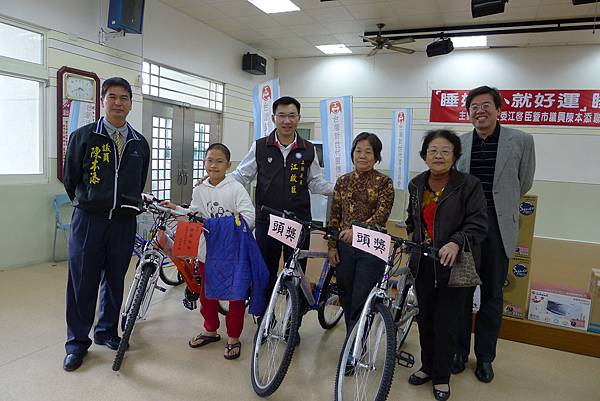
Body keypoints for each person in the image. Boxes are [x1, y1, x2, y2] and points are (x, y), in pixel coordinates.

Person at [62, 77, 150, 371]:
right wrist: (90, 202)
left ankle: (107, 332)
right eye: (112, 97)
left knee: (114, 280)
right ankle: (76, 344)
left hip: (123, 223)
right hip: (89, 222)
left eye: (124, 98)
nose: (118, 103)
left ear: (130, 103)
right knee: (82, 283)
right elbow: (71, 179)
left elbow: (138, 182)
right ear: (102, 100)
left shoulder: (139, 143)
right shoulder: (83, 136)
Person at [229, 96, 334, 338]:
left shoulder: (307, 149)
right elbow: (242, 175)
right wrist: (217, 182)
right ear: (274, 118)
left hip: (298, 223)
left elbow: (315, 182)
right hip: (268, 221)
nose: (287, 121)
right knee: (264, 273)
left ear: (298, 118)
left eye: (292, 116)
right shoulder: (260, 146)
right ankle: (265, 321)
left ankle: (291, 325)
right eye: (282, 116)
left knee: (296, 274)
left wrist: (338, 189)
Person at [453, 86, 536, 383]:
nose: (480, 111)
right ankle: (459, 352)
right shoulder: (460, 143)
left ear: (499, 109)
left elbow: (523, 182)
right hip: (466, 229)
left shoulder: (522, 141)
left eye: (486, 105)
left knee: (492, 295)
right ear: (469, 113)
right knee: (461, 292)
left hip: (499, 227)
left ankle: (485, 358)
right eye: (474, 107)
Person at [406, 130, 488, 401]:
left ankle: (441, 377)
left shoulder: (469, 185)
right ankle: (427, 367)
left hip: (453, 264)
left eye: (445, 151)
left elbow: (477, 224)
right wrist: (412, 238)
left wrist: (455, 242)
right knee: (425, 318)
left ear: (455, 156)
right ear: (424, 155)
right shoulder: (417, 184)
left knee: (447, 323)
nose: (438, 155)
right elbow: (411, 220)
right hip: (423, 263)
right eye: (433, 150)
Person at [161, 143, 257, 360]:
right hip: (209, 251)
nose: (213, 165)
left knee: (236, 295)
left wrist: (220, 225)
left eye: (219, 161)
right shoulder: (200, 189)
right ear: (204, 163)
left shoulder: (236, 188)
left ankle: (233, 337)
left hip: (233, 252)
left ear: (228, 164)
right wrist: (176, 208)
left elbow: (249, 218)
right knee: (207, 293)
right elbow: (195, 215)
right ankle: (210, 330)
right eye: (209, 161)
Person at [327, 132, 394, 339]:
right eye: (358, 151)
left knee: (362, 298)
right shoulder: (343, 181)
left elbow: (381, 215)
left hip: (372, 247)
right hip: (345, 247)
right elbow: (335, 215)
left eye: (368, 152)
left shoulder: (384, 182)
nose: (362, 156)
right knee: (346, 295)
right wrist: (332, 246)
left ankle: (357, 345)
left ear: (376, 156)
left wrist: (355, 231)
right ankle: (352, 339)